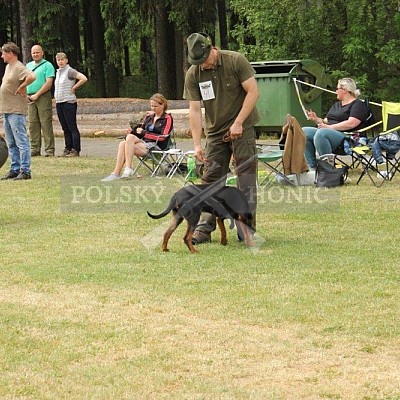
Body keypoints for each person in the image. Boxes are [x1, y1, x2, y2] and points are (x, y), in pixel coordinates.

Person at [183, 32, 259, 244]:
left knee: (246, 180)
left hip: (243, 129)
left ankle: (246, 230)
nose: (202, 65)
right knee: (210, 181)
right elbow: (195, 110)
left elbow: (253, 92)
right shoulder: (194, 73)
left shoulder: (236, 60)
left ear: (211, 48)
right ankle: (203, 228)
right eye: (196, 61)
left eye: (203, 60)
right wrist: (197, 143)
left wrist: (239, 122)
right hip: (215, 133)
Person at [101, 93, 173, 181]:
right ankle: (120, 171)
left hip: (157, 146)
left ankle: (123, 171)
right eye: (151, 106)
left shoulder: (167, 118)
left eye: (155, 106)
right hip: (144, 143)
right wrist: (132, 132)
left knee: (125, 143)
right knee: (125, 141)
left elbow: (163, 137)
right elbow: (140, 132)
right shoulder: (149, 117)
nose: (153, 108)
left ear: (163, 105)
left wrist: (144, 133)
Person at [304, 78, 369, 170]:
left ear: (345, 90)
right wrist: (316, 119)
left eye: (337, 88)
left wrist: (329, 127)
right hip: (329, 132)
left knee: (321, 133)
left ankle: (327, 168)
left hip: (348, 137)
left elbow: (351, 123)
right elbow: (326, 121)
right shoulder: (337, 105)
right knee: (304, 131)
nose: (336, 91)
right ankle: (313, 168)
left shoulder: (358, 105)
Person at [0, 42, 36, 180]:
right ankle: (15, 169)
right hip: (7, 111)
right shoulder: (9, 67)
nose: (2, 55)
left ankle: (25, 170)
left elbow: (32, 76)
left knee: (21, 141)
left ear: (10, 53)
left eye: (3, 52)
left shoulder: (19, 66)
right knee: (11, 142)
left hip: (16, 111)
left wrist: (22, 87)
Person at [54, 52, 87, 157]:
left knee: (72, 126)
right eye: (58, 60)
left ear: (66, 60)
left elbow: (83, 78)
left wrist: (74, 87)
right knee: (65, 127)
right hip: (59, 102)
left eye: (62, 59)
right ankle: (67, 148)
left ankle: (75, 149)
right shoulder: (58, 72)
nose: (60, 62)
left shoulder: (70, 71)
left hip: (69, 102)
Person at [26, 44, 56, 157]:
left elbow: (48, 83)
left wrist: (37, 94)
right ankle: (34, 149)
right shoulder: (28, 65)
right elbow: (25, 80)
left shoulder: (47, 65)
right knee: (33, 124)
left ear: (42, 53)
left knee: (45, 123)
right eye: (33, 53)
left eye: (37, 52)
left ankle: (49, 150)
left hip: (43, 96)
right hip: (29, 97)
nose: (35, 54)